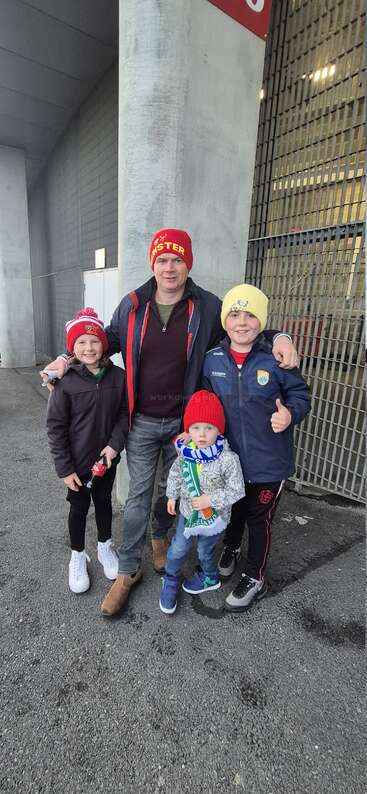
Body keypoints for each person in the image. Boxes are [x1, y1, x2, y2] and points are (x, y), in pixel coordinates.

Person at [42, 229, 297, 616]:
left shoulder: (208, 307)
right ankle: (128, 570)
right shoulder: (132, 305)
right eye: (162, 259)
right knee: (139, 499)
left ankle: (160, 540)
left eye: (177, 259)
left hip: (186, 425)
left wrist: (279, 335)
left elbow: (241, 331)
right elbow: (98, 340)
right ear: (153, 264)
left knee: (170, 491)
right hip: (141, 421)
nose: (169, 267)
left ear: (187, 263)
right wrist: (64, 357)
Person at [202, 284, 311, 612]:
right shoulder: (212, 360)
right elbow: (204, 404)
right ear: (225, 320)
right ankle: (232, 547)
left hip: (269, 463)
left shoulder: (276, 359)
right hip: (230, 461)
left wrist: (290, 414)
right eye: (234, 314)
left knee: (258, 518)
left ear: (261, 321)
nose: (242, 322)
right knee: (235, 508)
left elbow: (301, 395)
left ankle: (255, 576)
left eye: (250, 314)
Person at [46, 308, 128, 594]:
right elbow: (55, 428)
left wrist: (114, 445)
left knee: (104, 502)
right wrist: (65, 469)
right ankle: (78, 555)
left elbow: (124, 415)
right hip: (77, 465)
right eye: (81, 342)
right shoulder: (64, 383)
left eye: (94, 341)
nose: (89, 347)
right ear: (72, 348)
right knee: (79, 508)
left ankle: (105, 546)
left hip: (106, 459)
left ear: (103, 344)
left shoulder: (118, 377)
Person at [159, 390, 245, 614]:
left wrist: (210, 499)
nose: (202, 434)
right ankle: (170, 579)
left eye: (209, 427)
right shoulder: (187, 453)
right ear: (189, 430)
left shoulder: (228, 459)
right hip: (188, 515)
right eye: (196, 428)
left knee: (205, 552)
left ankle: (209, 577)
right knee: (178, 549)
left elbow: (237, 490)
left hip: (214, 519)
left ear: (219, 429)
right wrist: (171, 495)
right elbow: (176, 474)